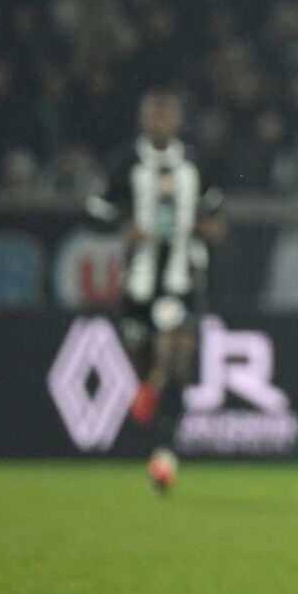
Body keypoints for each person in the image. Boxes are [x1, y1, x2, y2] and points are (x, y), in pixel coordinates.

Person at [86, 90, 224, 494]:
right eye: (155, 117)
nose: (161, 124)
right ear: (144, 121)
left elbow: (216, 210)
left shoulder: (194, 163)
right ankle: (150, 398)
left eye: (167, 117)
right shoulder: (126, 162)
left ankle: (165, 455)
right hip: (139, 280)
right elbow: (96, 207)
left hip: (181, 278)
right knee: (146, 363)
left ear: (177, 122)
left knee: (177, 353)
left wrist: (209, 228)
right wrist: (125, 225)